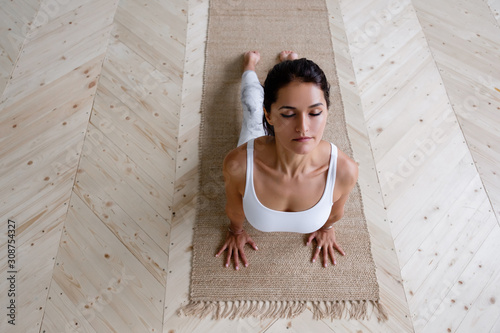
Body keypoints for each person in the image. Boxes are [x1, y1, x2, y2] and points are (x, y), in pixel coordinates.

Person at [215, 50, 358, 270]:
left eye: (315, 112)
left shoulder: (345, 170)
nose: (303, 128)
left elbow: (336, 212)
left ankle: (291, 65)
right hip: (257, 137)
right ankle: (249, 66)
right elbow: (234, 209)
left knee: (292, 84)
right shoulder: (238, 164)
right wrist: (235, 231)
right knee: (252, 103)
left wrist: (327, 228)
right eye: (288, 114)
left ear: (327, 112)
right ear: (270, 115)